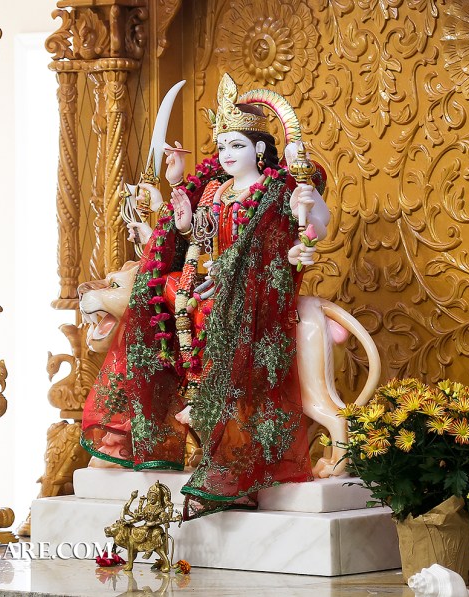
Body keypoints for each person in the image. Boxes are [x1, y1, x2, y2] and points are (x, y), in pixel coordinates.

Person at [82, 73, 329, 519]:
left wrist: (303, 229)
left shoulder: (276, 190)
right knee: (156, 294)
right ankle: (138, 427)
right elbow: (193, 238)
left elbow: (308, 233)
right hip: (203, 281)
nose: (227, 155)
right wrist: (173, 217)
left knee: (220, 307)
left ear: (259, 148)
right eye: (221, 148)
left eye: (236, 145)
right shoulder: (214, 191)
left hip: (251, 289)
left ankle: (231, 458)